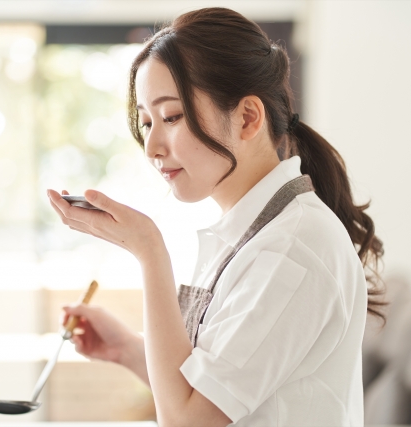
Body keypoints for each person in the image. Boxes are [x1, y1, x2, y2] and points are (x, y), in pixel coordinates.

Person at [47, 7, 384, 427]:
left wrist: (149, 251)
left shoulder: (290, 249)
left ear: (247, 118)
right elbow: (214, 391)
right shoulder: (255, 234)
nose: (151, 146)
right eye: (147, 121)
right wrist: (129, 351)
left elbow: (188, 420)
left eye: (171, 117)